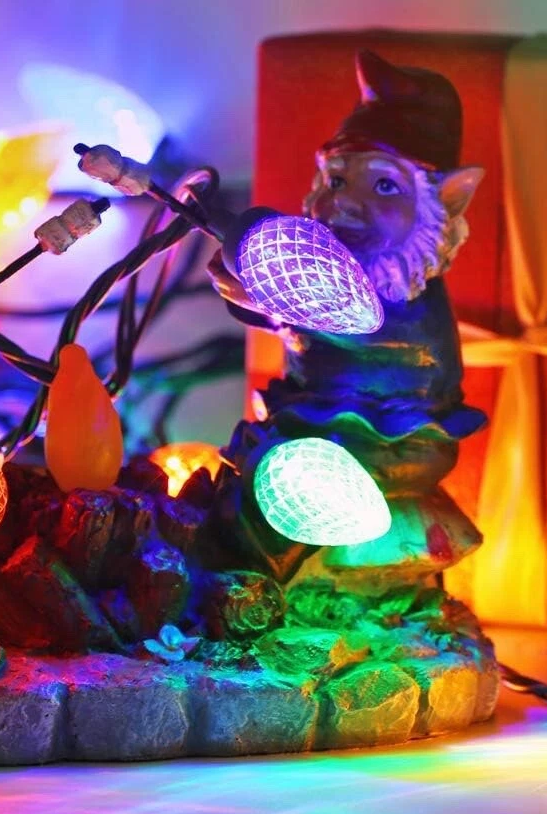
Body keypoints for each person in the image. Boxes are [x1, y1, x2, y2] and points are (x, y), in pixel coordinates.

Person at [207, 50, 487, 582]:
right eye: (337, 181)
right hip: (310, 417)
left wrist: (280, 305)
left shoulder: (407, 294)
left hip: (392, 440)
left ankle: (292, 576)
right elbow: (305, 317)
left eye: (384, 186)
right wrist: (261, 298)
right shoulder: (325, 271)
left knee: (311, 477)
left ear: (447, 200)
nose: (345, 204)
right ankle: (250, 575)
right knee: (262, 467)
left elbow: (360, 326)